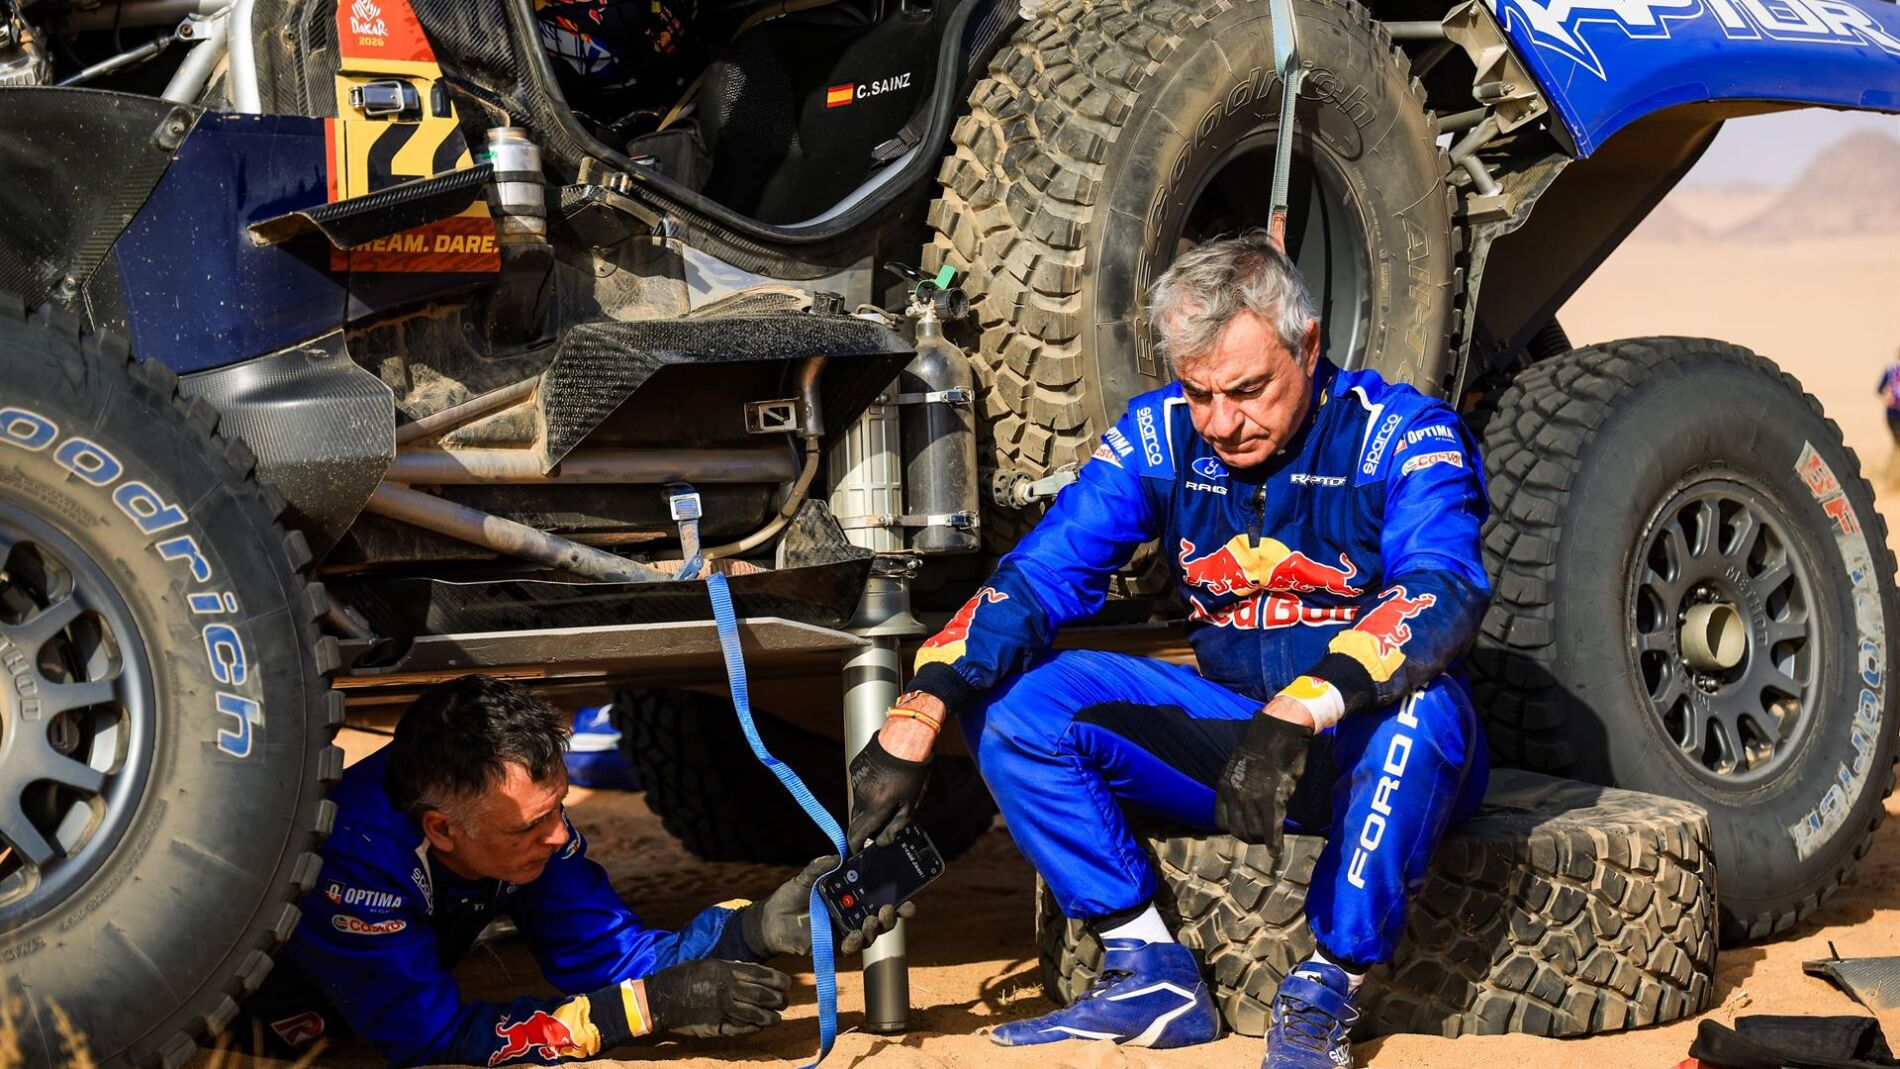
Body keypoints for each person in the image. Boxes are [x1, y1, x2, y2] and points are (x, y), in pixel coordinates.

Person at [845, 231, 1490, 1069]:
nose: (1222, 422)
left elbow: (1443, 587)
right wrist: (921, 706)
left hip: (1369, 737)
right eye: (1199, 392)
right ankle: (1149, 967)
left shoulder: (1401, 432)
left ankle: (1328, 985)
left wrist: (1306, 705)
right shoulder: (1159, 436)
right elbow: (1040, 575)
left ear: (1309, 347)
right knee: (1009, 701)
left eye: (1248, 390)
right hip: (1237, 734)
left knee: (1425, 711)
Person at [239, 674, 897, 1066]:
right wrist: (644, 1011)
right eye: (530, 825)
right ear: (441, 828)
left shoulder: (519, 822)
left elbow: (614, 960)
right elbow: (432, 1039)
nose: (559, 835)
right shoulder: (354, 860)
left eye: (559, 805)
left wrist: (754, 929)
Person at [1876, 351, 1900, 489]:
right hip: (1893, 414)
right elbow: (1879, 390)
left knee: (1897, 446)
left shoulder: (1892, 371)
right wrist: (1888, 397)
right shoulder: (1892, 371)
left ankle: (1891, 478)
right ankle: (1889, 478)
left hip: (1892, 414)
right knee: (1898, 445)